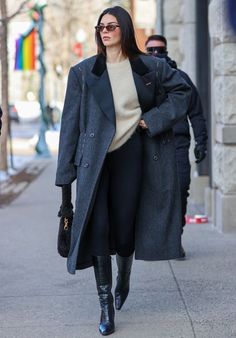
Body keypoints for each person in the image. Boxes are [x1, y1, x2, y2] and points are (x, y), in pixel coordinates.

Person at [56, 6, 191, 336]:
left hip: (133, 157)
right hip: (94, 164)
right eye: (100, 27)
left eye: (111, 26)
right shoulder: (84, 72)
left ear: (125, 30)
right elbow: (69, 125)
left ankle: (125, 276)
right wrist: (65, 179)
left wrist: (152, 119)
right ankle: (105, 306)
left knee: (125, 231)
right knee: (100, 229)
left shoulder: (149, 67)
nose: (104, 31)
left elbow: (183, 92)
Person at [145, 34, 208, 257]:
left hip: (179, 144)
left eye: (159, 50)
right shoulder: (141, 79)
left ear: (167, 51)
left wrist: (202, 142)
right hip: (151, 144)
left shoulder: (180, 78)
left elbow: (197, 113)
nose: (155, 54)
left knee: (181, 189)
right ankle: (158, 239)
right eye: (150, 50)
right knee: (154, 194)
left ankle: (176, 237)